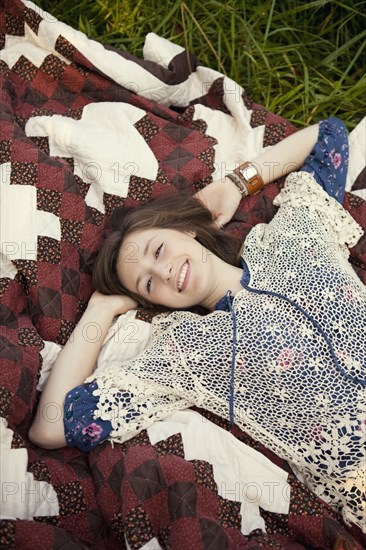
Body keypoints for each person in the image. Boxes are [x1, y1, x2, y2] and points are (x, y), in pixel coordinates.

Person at [29, 118, 366, 532]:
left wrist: (236, 184)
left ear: (186, 228)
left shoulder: (294, 232)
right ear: (150, 302)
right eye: (148, 282)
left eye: (158, 249)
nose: (165, 271)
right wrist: (99, 310)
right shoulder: (189, 352)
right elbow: (50, 426)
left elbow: (328, 135)